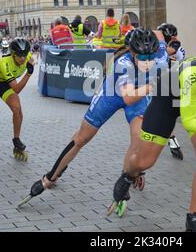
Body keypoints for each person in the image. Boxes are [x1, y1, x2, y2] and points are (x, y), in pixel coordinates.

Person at [110, 33, 196, 231]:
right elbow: (189, 122)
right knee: (145, 162)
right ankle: (126, 176)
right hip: (168, 97)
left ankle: (193, 217)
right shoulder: (192, 74)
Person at [17, 28, 166, 207]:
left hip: (138, 98)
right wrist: (153, 84)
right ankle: (50, 177)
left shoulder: (160, 55)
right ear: (132, 52)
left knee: (138, 141)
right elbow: (128, 97)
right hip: (112, 96)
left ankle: (125, 181)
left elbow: (160, 34)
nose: (147, 62)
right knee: (82, 138)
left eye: (151, 56)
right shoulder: (122, 64)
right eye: (142, 58)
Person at [156, 23, 186, 160]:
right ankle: (172, 142)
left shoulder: (174, 44)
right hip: (167, 79)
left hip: (174, 81)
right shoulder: (164, 44)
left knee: (167, 114)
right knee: (164, 114)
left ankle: (171, 140)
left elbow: (167, 52)